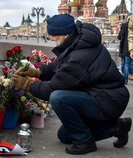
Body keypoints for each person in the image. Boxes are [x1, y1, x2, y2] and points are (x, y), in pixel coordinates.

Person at [12, 14, 131, 155]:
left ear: (66, 35)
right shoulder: (79, 42)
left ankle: (85, 143)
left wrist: (27, 85)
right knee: (65, 136)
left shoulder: (79, 57)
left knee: (58, 97)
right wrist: (37, 72)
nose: (51, 38)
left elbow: (51, 89)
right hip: (100, 94)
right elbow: (58, 65)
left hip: (108, 100)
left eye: (54, 36)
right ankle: (117, 128)